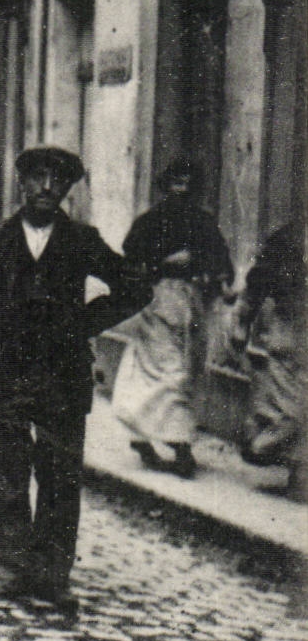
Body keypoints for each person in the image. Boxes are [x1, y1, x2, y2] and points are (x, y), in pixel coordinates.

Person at [0, 147, 149, 613]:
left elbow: (136, 285)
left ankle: (53, 573)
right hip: (8, 373)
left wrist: (85, 322)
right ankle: (11, 564)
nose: (47, 187)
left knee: (60, 474)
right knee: (9, 472)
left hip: (62, 374)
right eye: (37, 177)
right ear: (22, 182)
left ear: (68, 189)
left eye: (58, 180)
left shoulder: (83, 240)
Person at [113, 156, 233, 479]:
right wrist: (162, 264)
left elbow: (221, 259)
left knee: (187, 369)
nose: (181, 188)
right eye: (176, 182)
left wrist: (218, 279)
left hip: (193, 304)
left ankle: (145, 436)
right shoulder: (150, 221)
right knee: (170, 372)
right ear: (166, 185)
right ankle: (181, 449)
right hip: (158, 302)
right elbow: (131, 259)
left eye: (187, 183)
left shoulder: (203, 222)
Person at [230, 221, 304, 500]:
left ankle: (282, 461)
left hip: (292, 330)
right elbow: (258, 281)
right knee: (292, 400)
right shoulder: (289, 238)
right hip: (292, 326)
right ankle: (269, 450)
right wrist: (242, 321)